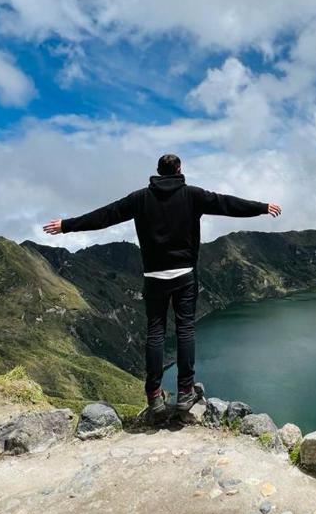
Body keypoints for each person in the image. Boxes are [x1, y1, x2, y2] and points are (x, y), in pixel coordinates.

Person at [43, 153, 281, 417]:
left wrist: (66, 226)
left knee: (155, 333)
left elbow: (105, 215)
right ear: (179, 169)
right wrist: (262, 207)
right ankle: (184, 392)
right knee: (185, 331)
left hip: (154, 276)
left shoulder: (140, 198)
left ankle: (154, 395)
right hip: (185, 275)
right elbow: (227, 204)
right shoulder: (192, 194)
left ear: (157, 171)